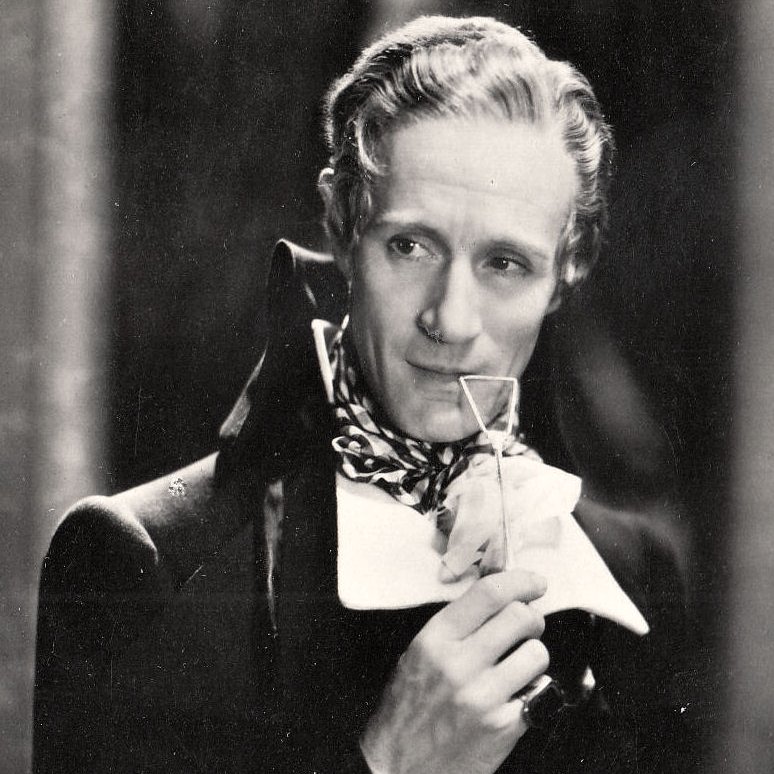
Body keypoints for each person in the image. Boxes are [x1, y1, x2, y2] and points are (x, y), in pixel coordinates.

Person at [34, 15, 696, 774]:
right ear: (343, 225)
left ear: (565, 273)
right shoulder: (144, 561)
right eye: (410, 246)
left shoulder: (633, 576)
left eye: (505, 264)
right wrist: (388, 759)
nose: (450, 320)